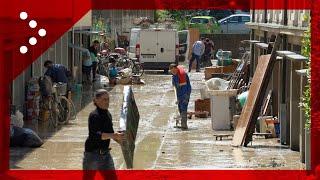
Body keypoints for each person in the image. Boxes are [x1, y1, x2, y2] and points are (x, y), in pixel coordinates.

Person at [83, 89, 124, 179]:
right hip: (92, 154)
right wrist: (113, 135)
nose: (107, 102)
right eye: (104, 99)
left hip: (106, 154)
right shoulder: (94, 115)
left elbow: (111, 133)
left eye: (108, 99)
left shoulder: (108, 114)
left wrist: (122, 141)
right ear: (96, 101)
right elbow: (96, 136)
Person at [169, 64, 192, 130]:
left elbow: (184, 88)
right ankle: (182, 123)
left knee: (183, 107)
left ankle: (184, 125)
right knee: (180, 108)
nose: (173, 72)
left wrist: (182, 98)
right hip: (179, 92)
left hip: (185, 92)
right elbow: (174, 85)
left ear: (176, 69)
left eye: (173, 71)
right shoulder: (174, 74)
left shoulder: (181, 74)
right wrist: (177, 98)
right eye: (171, 71)